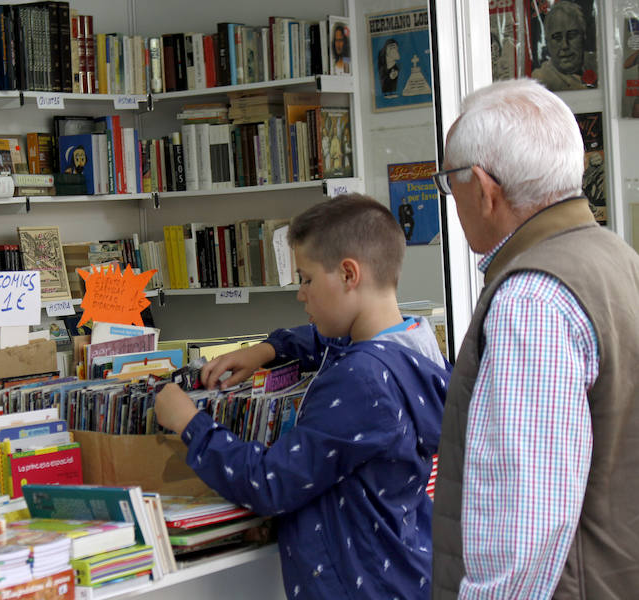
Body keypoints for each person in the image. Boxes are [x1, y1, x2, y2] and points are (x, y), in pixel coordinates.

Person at [155, 194, 450, 599]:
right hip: (403, 569)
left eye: (307, 279)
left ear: (349, 274)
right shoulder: (415, 344)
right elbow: (325, 341)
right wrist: (264, 351)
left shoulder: (361, 382)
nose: (301, 294)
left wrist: (190, 422)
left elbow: (270, 482)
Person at [430, 78, 639, 599]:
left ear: (482, 187)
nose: (450, 199)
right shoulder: (616, 259)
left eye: (448, 181)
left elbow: (524, 527)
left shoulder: (532, 301)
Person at [531, 1, 596, 90]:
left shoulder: (598, 63)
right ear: (547, 42)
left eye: (572, 35)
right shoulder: (539, 80)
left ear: (584, 36)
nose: (565, 45)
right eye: (557, 38)